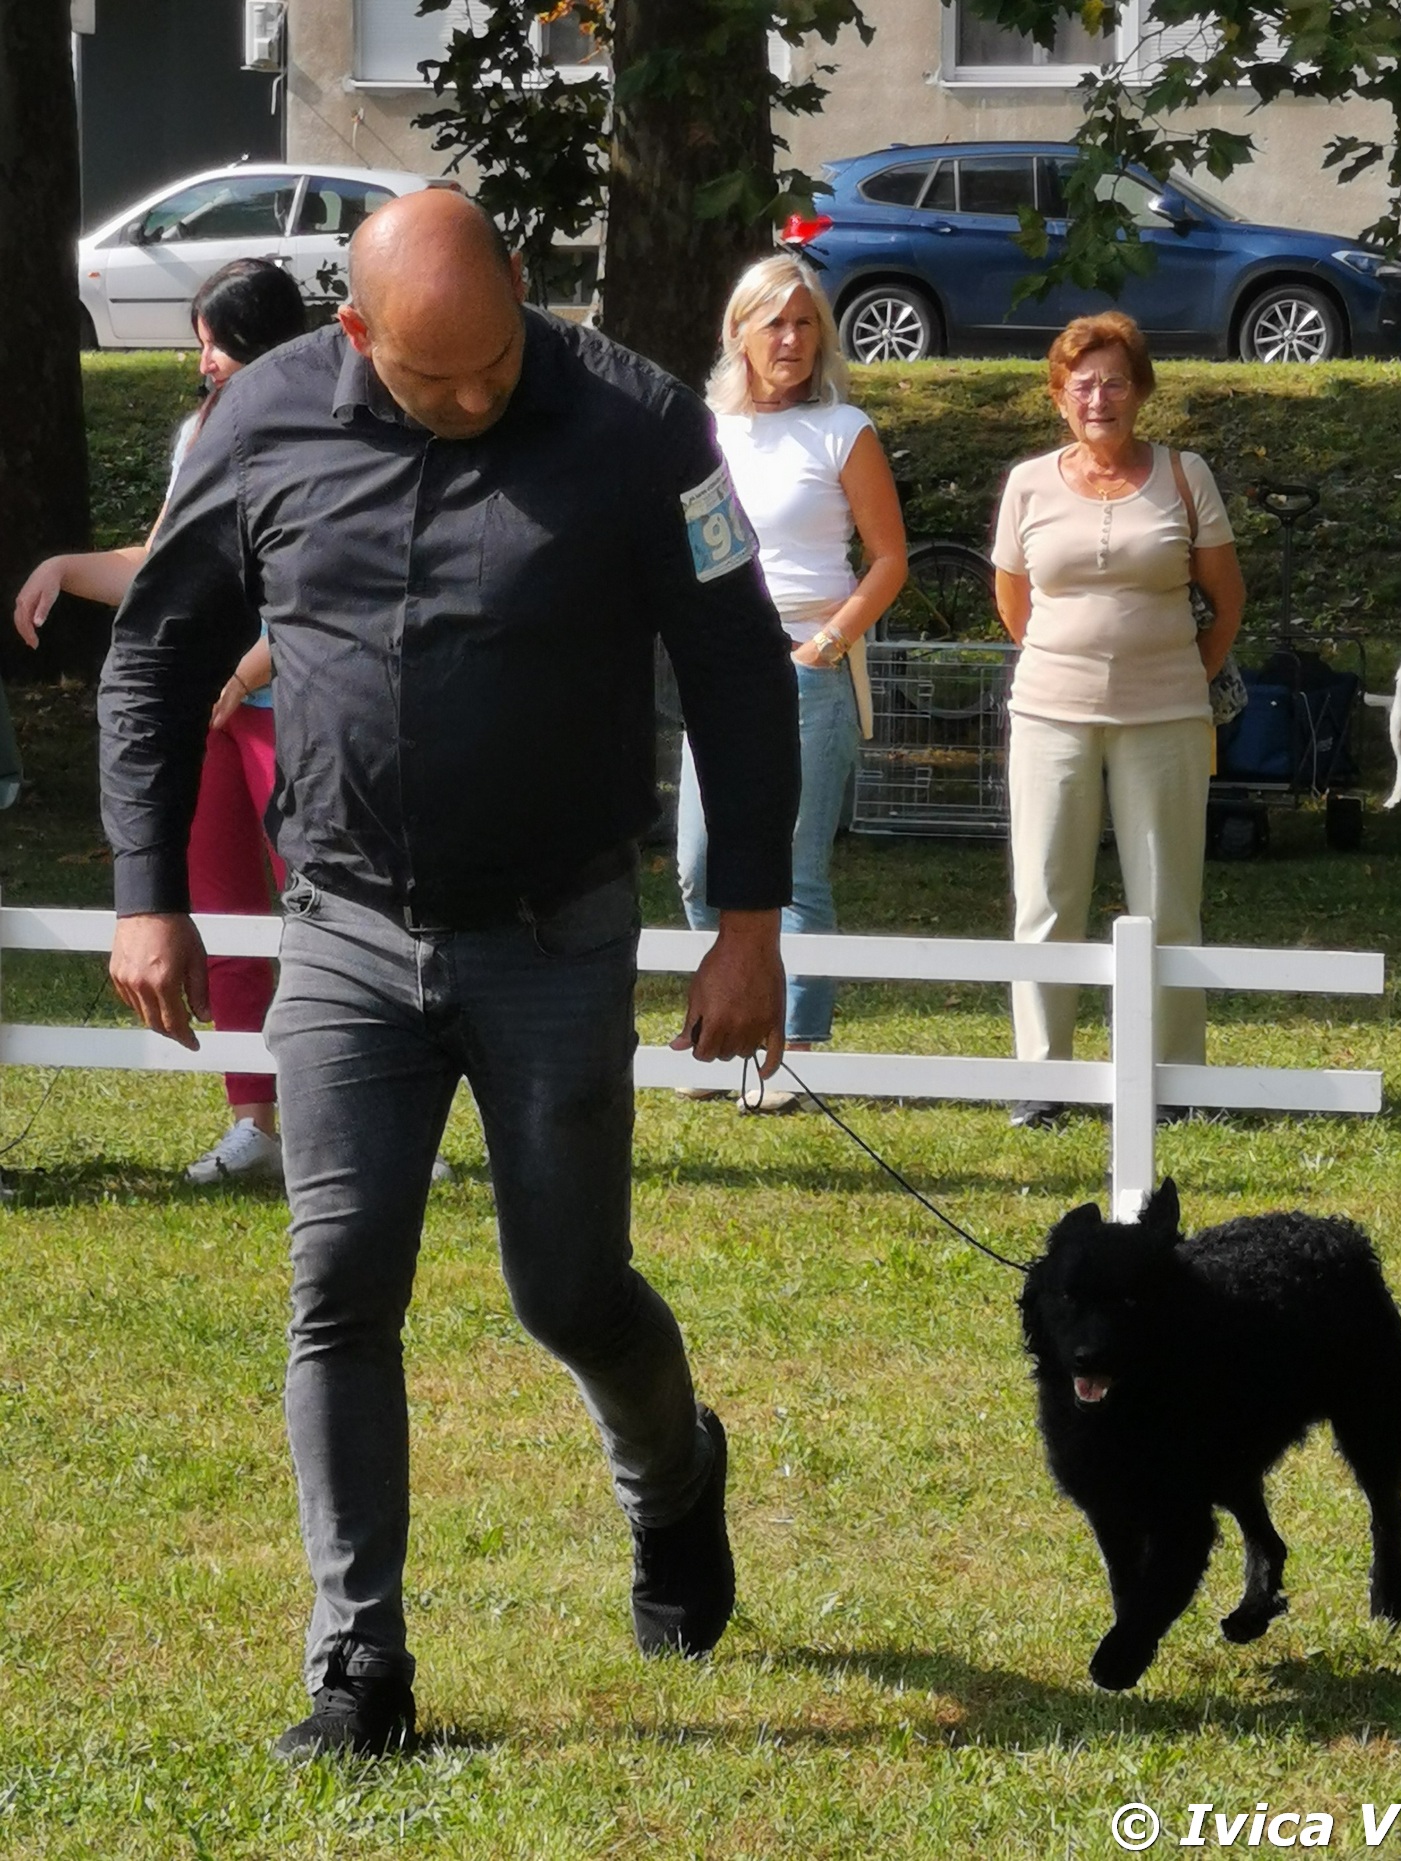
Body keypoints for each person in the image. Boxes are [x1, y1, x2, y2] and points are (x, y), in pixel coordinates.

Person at [97, 191, 800, 1758]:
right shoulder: (262, 422)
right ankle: (359, 1665)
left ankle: (673, 1476)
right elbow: (154, 651)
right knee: (340, 1284)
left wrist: (749, 921)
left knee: (571, 1289)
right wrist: (150, 895)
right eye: (435, 377)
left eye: (496, 363)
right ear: (356, 333)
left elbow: (739, 667)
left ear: (522, 290)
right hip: (343, 929)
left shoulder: (640, 423)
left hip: (558, 930)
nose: (476, 396)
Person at [15, 258, 307, 1182]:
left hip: (296, 709)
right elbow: (167, 567)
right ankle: (254, 1124)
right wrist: (65, 568)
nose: (204, 363)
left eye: (217, 344)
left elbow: (331, 587)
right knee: (222, 917)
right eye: (200, 344)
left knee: (329, 922)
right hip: (210, 716)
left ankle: (367, 1121)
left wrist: (245, 670)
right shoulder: (201, 435)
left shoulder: (327, 427)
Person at [991, 311, 1245, 1130]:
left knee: (1168, 903)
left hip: (1166, 717)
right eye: (1082, 384)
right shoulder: (1028, 483)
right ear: (1058, 396)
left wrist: (1184, 674)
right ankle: (1044, 1080)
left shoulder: (1185, 475)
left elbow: (1226, 600)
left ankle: (1175, 1079)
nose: (1098, 398)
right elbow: (1014, 602)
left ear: (1140, 392)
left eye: (1114, 383)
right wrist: (1069, 665)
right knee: (1046, 896)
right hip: (1049, 715)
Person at [677, 254, 906, 1111]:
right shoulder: (706, 431)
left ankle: (795, 1049)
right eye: (774, 322)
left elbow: (889, 558)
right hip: (719, 672)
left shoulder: (842, 429)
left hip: (808, 665)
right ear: (738, 333)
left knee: (794, 870)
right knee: (698, 866)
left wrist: (829, 642)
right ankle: (724, 1027)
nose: (791, 339)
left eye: (806, 323)